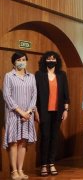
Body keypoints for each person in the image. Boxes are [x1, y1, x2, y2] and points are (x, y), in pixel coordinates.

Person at [3, 52, 37, 180]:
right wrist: (20, 112)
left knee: (23, 142)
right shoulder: (9, 76)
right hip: (13, 115)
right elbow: (7, 95)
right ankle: (14, 171)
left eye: (23, 59)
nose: (21, 61)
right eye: (18, 59)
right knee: (14, 142)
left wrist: (28, 112)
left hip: (28, 115)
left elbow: (34, 95)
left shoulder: (31, 77)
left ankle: (21, 170)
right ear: (14, 62)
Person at [35, 51, 70, 177]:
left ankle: (52, 163)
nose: (51, 60)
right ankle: (44, 165)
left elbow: (66, 93)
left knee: (54, 138)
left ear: (57, 61)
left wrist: (66, 109)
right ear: (45, 60)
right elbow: (35, 95)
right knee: (45, 137)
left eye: (53, 59)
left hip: (58, 111)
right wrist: (35, 111)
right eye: (48, 59)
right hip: (43, 111)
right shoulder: (39, 75)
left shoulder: (61, 74)